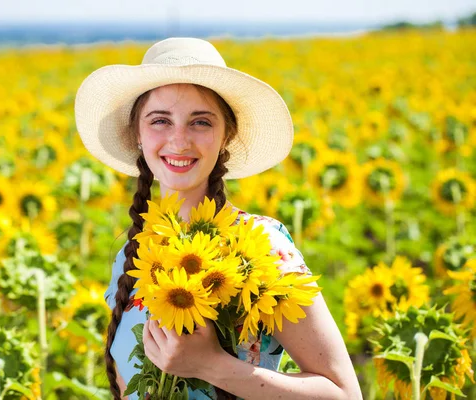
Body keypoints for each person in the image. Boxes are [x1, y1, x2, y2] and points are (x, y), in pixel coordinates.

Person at [74, 37, 362, 400]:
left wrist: (211, 365)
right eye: (160, 120)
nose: (179, 141)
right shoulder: (134, 253)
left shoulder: (261, 247)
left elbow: (345, 394)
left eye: (201, 122)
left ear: (227, 135)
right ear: (137, 134)